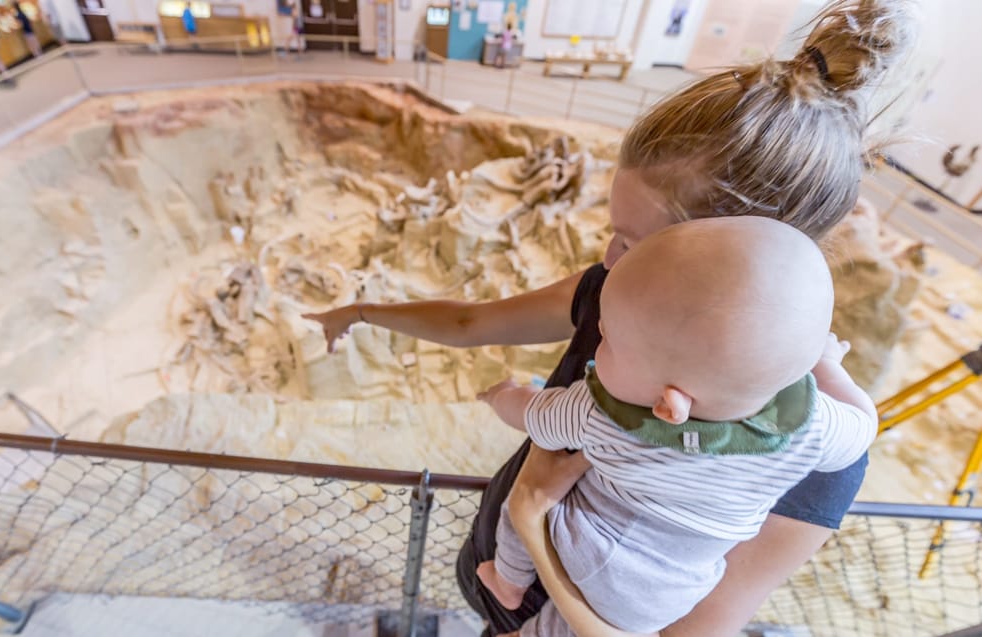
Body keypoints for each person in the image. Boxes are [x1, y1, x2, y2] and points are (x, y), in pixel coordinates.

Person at [303, 0, 914, 635]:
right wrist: (361, 310)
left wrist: (532, 522)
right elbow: (471, 324)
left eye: (633, 243)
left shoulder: (816, 455)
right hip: (503, 582)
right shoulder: (618, 291)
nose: (607, 260)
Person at [474, 217, 877, 635]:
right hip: (672, 597)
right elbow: (865, 425)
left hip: (588, 554)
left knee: (521, 506)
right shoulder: (812, 430)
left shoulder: (606, 416)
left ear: (670, 406)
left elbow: (534, 416)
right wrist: (829, 367)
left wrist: (500, 395)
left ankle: (508, 580)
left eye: (609, 340)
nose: (599, 341)